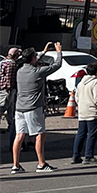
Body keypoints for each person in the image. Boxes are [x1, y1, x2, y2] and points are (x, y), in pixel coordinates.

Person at [11, 43, 62, 174]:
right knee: (40, 134)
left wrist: (43, 51)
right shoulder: (37, 72)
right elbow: (57, 65)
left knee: (20, 135)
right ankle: (41, 164)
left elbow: (30, 60)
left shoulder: (20, 70)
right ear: (33, 59)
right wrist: (58, 52)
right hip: (33, 107)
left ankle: (15, 165)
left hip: (19, 107)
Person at [71, 63, 97, 164]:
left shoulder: (81, 83)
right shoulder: (95, 82)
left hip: (82, 110)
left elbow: (76, 96)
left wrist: (80, 104)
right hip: (92, 111)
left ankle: (76, 155)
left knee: (81, 134)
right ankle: (88, 155)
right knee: (92, 134)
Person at [1, 48, 21, 146]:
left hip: (4, 88)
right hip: (8, 89)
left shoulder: (3, 61)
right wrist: (9, 88)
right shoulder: (11, 64)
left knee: (10, 107)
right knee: (4, 106)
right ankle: (10, 125)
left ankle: (10, 124)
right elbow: (9, 77)